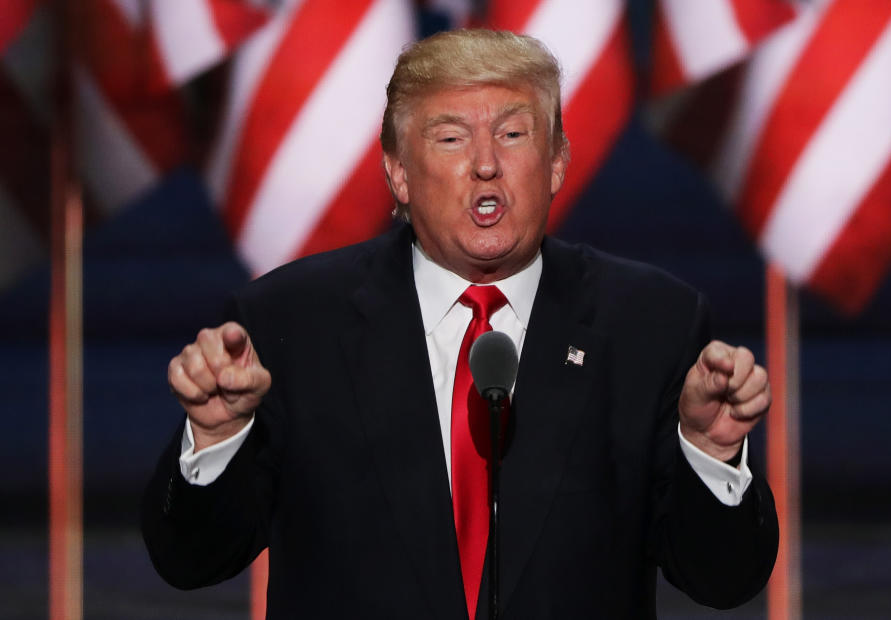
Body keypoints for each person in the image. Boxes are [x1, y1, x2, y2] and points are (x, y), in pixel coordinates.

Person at [143, 29, 778, 619]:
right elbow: (191, 561)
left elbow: (722, 581)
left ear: (556, 162)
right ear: (398, 172)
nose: (485, 165)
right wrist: (217, 439)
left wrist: (711, 452)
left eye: (513, 134)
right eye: (450, 138)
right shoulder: (290, 324)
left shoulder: (651, 323)